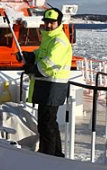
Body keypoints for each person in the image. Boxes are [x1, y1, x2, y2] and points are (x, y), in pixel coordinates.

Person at [23, 8, 72, 157]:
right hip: (47, 86)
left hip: (54, 86)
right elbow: (42, 53)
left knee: (46, 123)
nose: (49, 25)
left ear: (58, 23)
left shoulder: (59, 41)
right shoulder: (50, 39)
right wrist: (31, 55)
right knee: (48, 122)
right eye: (47, 22)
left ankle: (48, 154)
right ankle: (55, 153)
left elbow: (49, 62)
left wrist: (32, 68)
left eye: (52, 23)